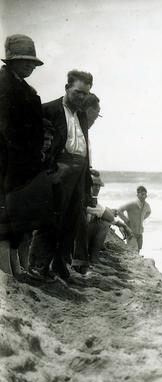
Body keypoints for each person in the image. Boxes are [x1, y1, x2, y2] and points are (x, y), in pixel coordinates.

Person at [29, 70, 94, 280]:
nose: (82, 97)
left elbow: (85, 146)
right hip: (58, 169)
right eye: (78, 92)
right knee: (51, 218)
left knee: (72, 220)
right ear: (67, 88)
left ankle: (59, 263)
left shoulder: (82, 114)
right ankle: (39, 265)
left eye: (85, 93)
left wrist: (87, 180)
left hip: (79, 169)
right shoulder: (48, 109)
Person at [0, 34, 45, 277]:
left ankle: (16, 266)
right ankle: (7, 269)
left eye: (32, 63)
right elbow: (7, 130)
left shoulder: (25, 88)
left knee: (17, 217)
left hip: (22, 164)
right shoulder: (5, 86)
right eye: (26, 61)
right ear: (12, 61)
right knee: (5, 217)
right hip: (8, 162)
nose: (30, 66)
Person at [117, 186, 151, 253]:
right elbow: (119, 210)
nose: (144, 196)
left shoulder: (146, 205)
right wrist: (126, 220)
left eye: (145, 194)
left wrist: (142, 218)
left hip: (140, 232)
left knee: (138, 249)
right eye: (142, 194)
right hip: (131, 231)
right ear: (137, 195)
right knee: (132, 250)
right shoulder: (132, 203)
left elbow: (149, 212)